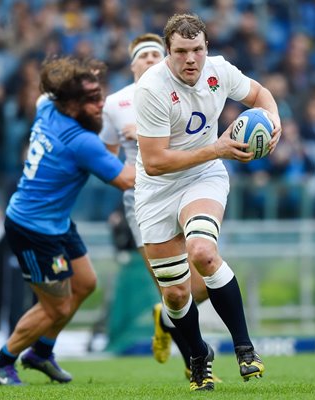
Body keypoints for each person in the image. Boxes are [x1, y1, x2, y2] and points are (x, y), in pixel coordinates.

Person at [133, 14, 281, 392]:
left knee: (202, 250)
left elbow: (260, 95)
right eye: (181, 51)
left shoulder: (219, 71)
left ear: (206, 48)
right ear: (169, 52)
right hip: (156, 188)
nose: (191, 60)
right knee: (176, 293)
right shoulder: (152, 88)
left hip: (204, 176)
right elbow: (154, 161)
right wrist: (215, 147)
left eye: (197, 49)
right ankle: (199, 354)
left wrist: (273, 122)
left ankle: (244, 347)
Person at [0, 57, 136, 386]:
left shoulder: (46, 106)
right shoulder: (82, 142)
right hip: (32, 229)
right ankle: (0, 362)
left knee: (85, 284)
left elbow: (47, 92)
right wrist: (158, 149)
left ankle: (41, 353)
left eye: (100, 94)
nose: (102, 105)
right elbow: (126, 179)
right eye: (91, 100)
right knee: (56, 306)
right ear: (70, 106)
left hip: (56, 221)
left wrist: (83, 79)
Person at [100, 32, 219, 381]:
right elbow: (107, 160)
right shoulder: (116, 104)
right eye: (144, 56)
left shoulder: (180, 90)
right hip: (144, 202)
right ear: (132, 63)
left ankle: (164, 319)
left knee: (201, 285)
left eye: (156, 54)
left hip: (187, 189)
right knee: (172, 286)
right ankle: (196, 364)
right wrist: (129, 178)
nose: (151, 60)